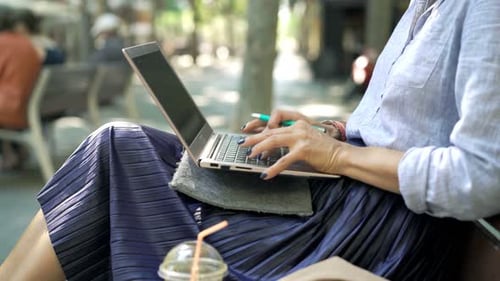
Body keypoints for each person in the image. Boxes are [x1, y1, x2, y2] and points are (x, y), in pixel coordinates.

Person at [1, 0, 500, 280]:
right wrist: (328, 131)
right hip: (343, 191)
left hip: (370, 228)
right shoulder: (423, 5)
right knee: (115, 150)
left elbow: (481, 177)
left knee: (118, 148)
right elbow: (400, 124)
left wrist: (339, 155)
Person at [0, 6, 42, 170]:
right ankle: (12, 153)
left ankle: (10, 154)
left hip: (10, 108)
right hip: (24, 106)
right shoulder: (26, 43)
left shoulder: (3, 42)